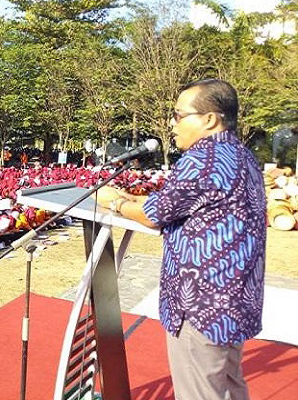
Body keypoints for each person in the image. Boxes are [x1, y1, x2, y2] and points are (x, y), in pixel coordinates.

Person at [97, 79, 266, 400]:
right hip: (234, 300)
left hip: (201, 304)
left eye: (178, 115)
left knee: (199, 391)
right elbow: (190, 208)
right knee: (229, 385)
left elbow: (155, 213)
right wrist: (131, 200)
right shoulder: (241, 156)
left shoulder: (203, 159)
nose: (171, 124)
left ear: (209, 119)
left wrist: (114, 202)